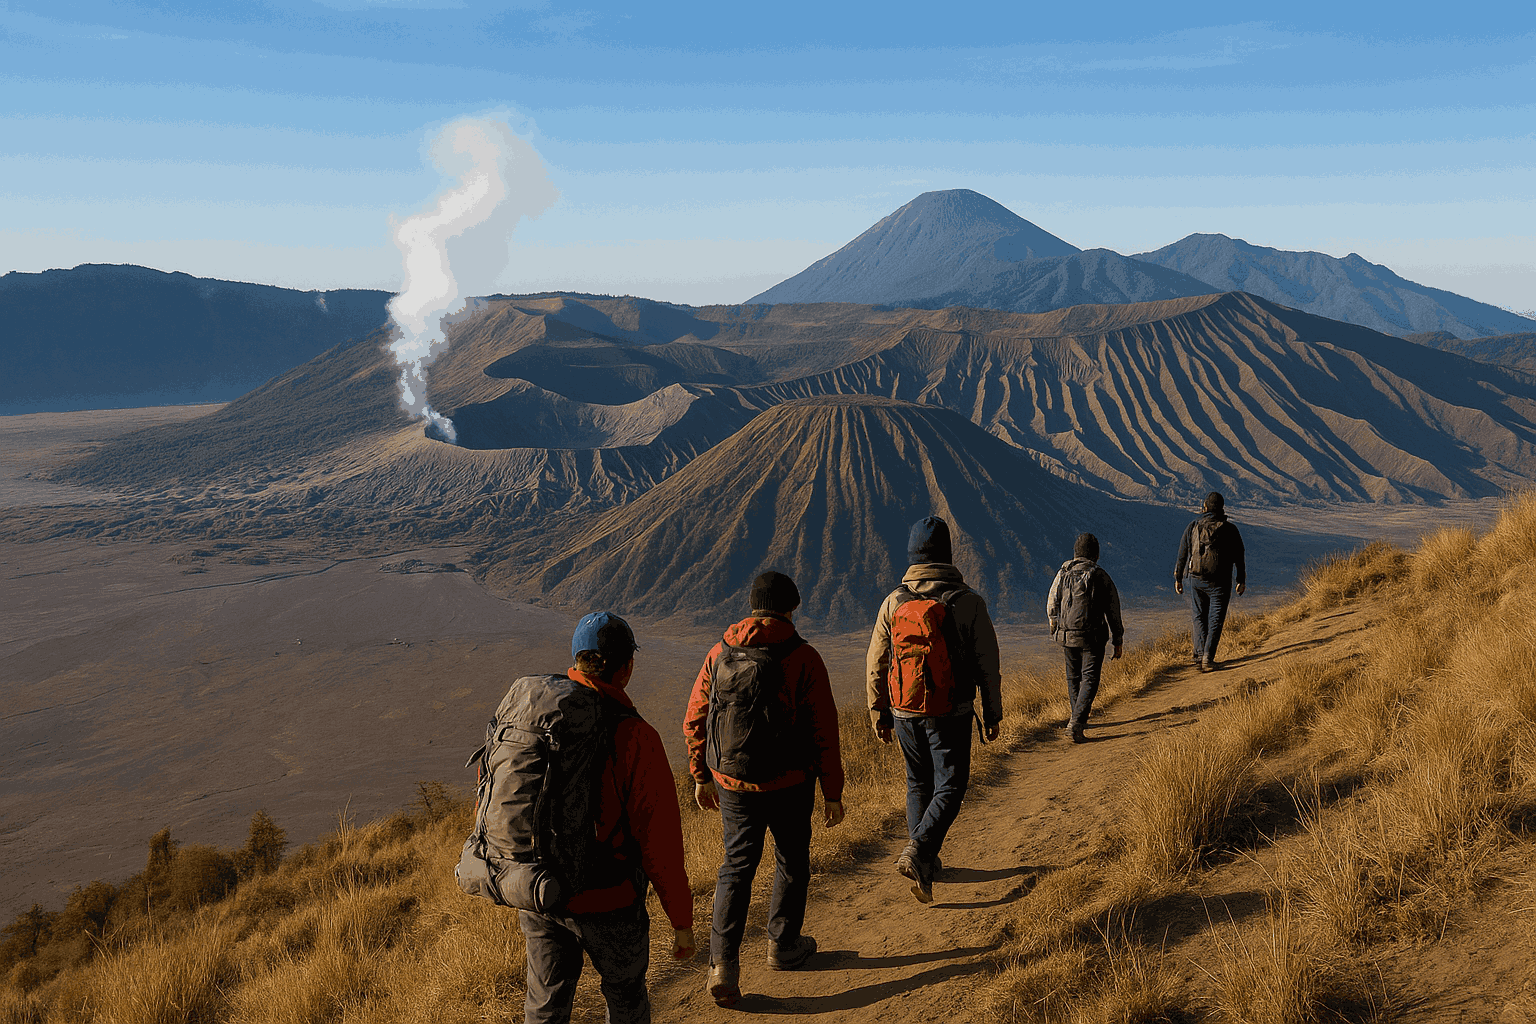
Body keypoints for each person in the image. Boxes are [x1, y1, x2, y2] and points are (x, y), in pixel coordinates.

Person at [519, 612, 695, 1024]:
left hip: (541, 891)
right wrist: (681, 922)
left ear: (576, 659)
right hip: (609, 897)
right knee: (626, 996)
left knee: (545, 1005)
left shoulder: (534, 715)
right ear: (626, 667)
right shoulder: (636, 737)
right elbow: (660, 843)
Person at [683, 571, 846, 1008]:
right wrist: (833, 791)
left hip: (733, 783)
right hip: (792, 782)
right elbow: (823, 731)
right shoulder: (803, 656)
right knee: (792, 860)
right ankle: (783, 946)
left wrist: (701, 774)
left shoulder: (720, 652)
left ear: (751, 606)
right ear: (791, 607)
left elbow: (695, 717)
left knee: (736, 867)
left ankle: (722, 966)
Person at [866, 515, 1002, 904]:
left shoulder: (893, 602)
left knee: (919, 783)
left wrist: (878, 712)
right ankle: (921, 850)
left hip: (904, 710)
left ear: (912, 556)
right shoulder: (969, 601)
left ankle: (925, 862)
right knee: (952, 784)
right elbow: (986, 662)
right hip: (952, 711)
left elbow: (876, 661)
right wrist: (992, 711)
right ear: (948, 554)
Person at [1046, 532, 1125, 744]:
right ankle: (1076, 723)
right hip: (1092, 636)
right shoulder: (1100, 575)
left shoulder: (1063, 571)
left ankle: (1077, 719)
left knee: (1073, 678)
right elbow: (1113, 610)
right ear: (1096, 554)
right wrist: (1118, 639)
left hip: (1066, 634)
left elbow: (1052, 601)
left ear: (1075, 552)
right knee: (1089, 678)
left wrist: (1055, 625)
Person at [1173, 492, 1247, 671]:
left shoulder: (1193, 526)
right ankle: (1208, 658)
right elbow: (1239, 555)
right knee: (1215, 619)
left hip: (1197, 580)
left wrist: (1178, 578)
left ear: (1204, 507)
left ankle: (1199, 655)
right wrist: (1241, 579)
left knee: (1198, 616)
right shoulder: (1230, 529)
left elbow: (1183, 553)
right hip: (1220, 582)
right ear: (1221, 508)